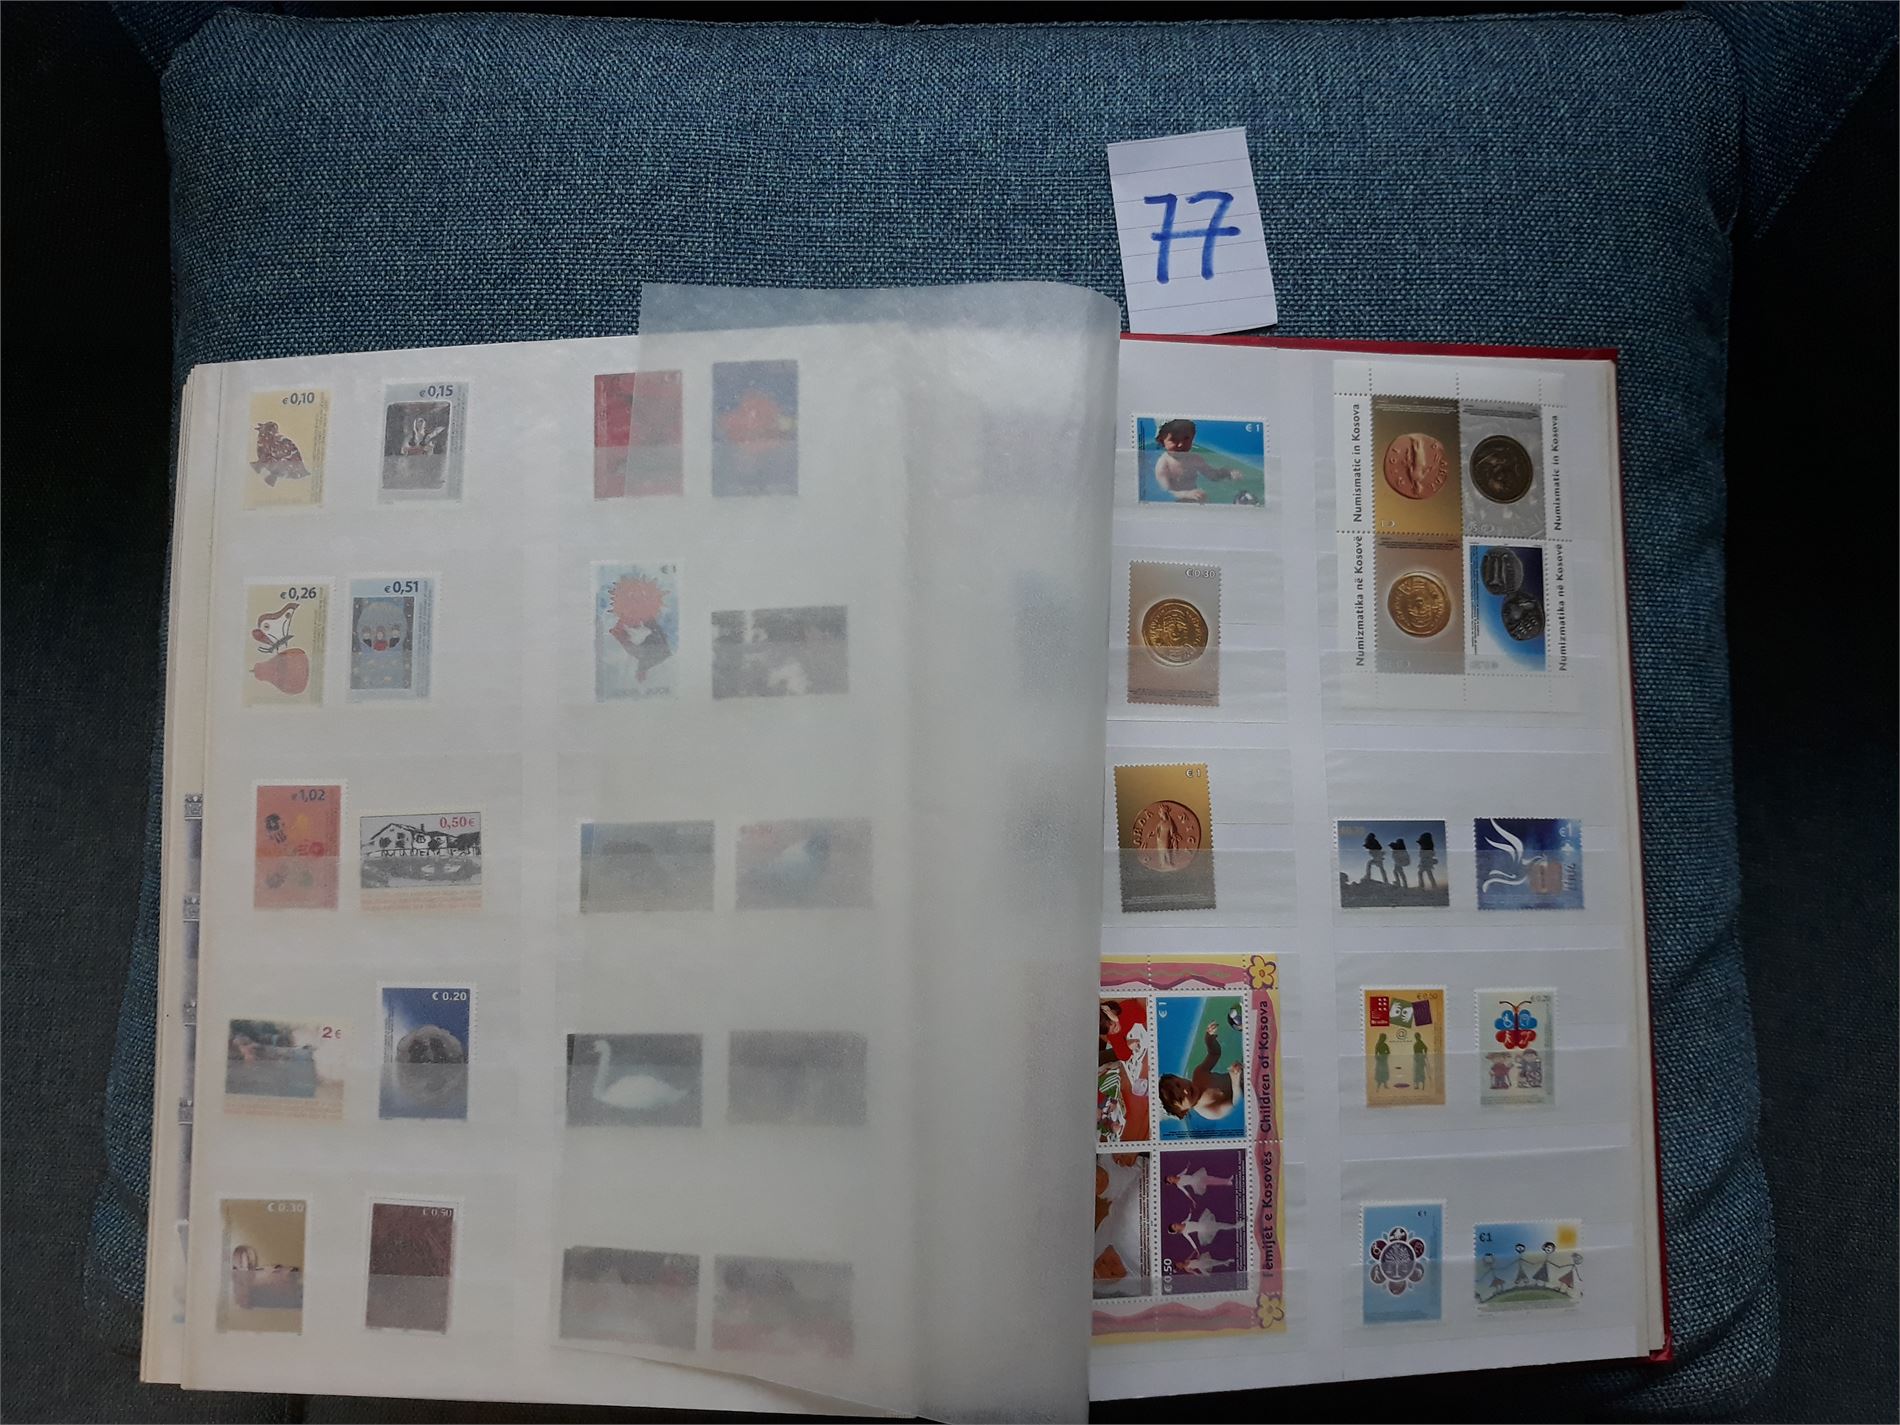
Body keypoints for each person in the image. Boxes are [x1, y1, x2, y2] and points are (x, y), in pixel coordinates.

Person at [1157, 1022, 1242, 1124]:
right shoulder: (1207, 1110)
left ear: (1178, 1077)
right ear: (1182, 1112)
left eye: (1178, 1084)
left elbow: (1214, 1054)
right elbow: (1236, 1107)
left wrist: (1209, 1040)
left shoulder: (1199, 1073)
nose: (1185, 1091)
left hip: (1240, 1073)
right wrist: (1235, 1081)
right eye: (1181, 1098)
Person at [1150, 418, 1236, 503]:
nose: (1181, 444)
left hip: (1195, 498)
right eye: (1174, 440)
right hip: (1175, 503)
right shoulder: (1163, 464)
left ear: (1193, 437)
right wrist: (1185, 494)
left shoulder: (1195, 459)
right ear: (1161, 441)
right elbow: (1165, 492)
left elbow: (1212, 476)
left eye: (1186, 438)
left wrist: (1227, 473)